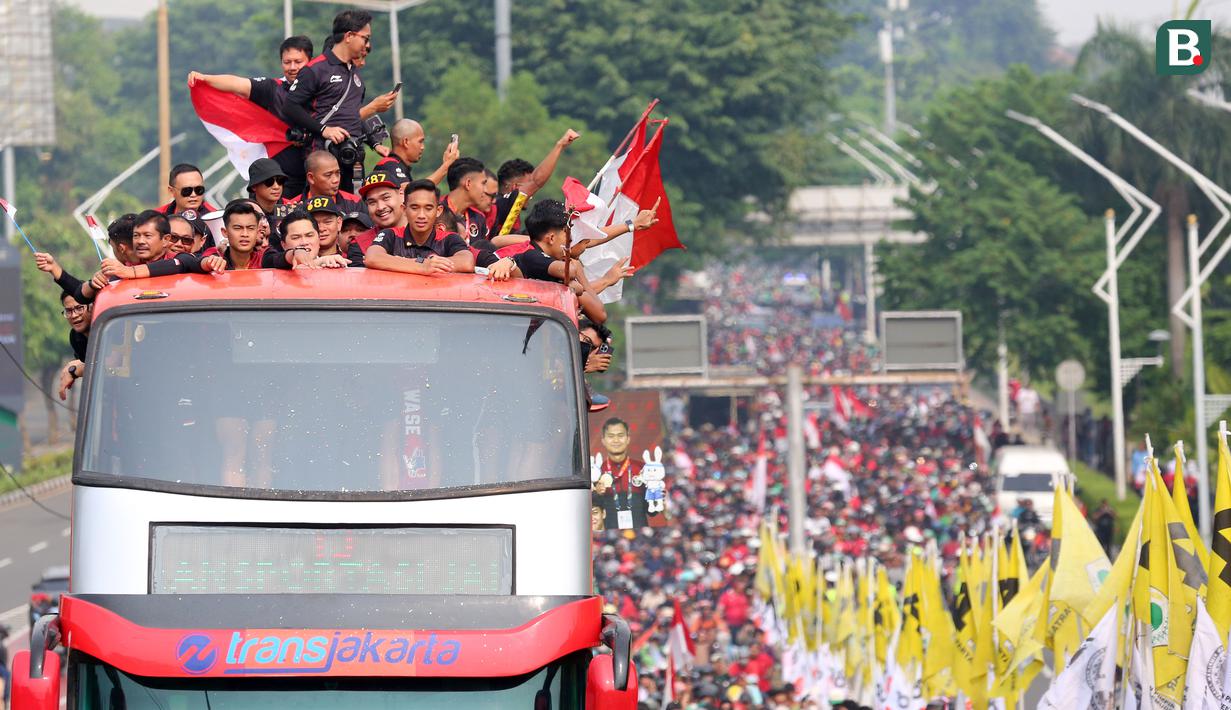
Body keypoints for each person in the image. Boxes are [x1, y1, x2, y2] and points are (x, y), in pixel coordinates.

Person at [283, 9, 396, 193]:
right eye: (365, 38)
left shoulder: (355, 75)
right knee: (323, 210)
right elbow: (290, 106)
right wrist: (324, 130)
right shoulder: (316, 69)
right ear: (349, 36)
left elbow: (353, 116)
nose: (367, 45)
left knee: (351, 210)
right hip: (322, 155)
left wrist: (374, 144)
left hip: (351, 155)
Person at [362, 180, 475, 276]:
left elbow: (466, 262)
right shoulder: (391, 234)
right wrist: (421, 266)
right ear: (404, 210)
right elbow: (372, 257)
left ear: (438, 211)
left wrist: (430, 265)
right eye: (414, 208)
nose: (421, 215)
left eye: (428, 208)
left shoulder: (450, 238)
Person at [485, 129, 580, 235]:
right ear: (515, 187)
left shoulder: (510, 211)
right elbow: (537, 181)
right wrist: (560, 145)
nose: (531, 194)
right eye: (528, 187)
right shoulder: (500, 205)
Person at [593, 418, 652, 530]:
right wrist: (597, 493)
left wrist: (660, 498)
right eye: (611, 436)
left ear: (628, 439)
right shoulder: (597, 472)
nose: (616, 440)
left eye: (620, 435)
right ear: (603, 440)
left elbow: (652, 512)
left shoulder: (643, 469)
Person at [347, 168, 411, 266]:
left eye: (386, 198)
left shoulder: (428, 234)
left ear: (402, 194)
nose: (380, 207)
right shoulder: (359, 244)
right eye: (372, 202)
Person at [375, 119, 458, 186]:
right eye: (420, 141)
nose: (423, 147)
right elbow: (411, 192)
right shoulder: (388, 165)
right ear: (406, 142)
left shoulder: (400, 166)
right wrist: (446, 166)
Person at [290, 150, 366, 216]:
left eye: (338, 173)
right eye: (328, 175)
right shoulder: (293, 207)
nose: (336, 180)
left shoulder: (354, 203)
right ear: (311, 178)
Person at [246, 158, 293, 236]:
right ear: (254, 186)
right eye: (269, 182)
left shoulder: (290, 208)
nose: (276, 186)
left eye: (280, 181)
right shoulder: (245, 214)